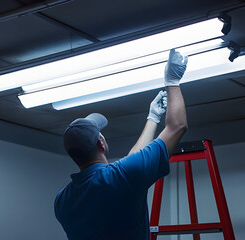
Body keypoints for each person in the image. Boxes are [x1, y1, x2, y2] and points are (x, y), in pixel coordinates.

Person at [54, 49, 188, 240]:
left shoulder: (62, 200)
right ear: (101, 142)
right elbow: (177, 126)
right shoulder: (122, 177)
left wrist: (153, 118)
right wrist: (172, 82)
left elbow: (130, 164)